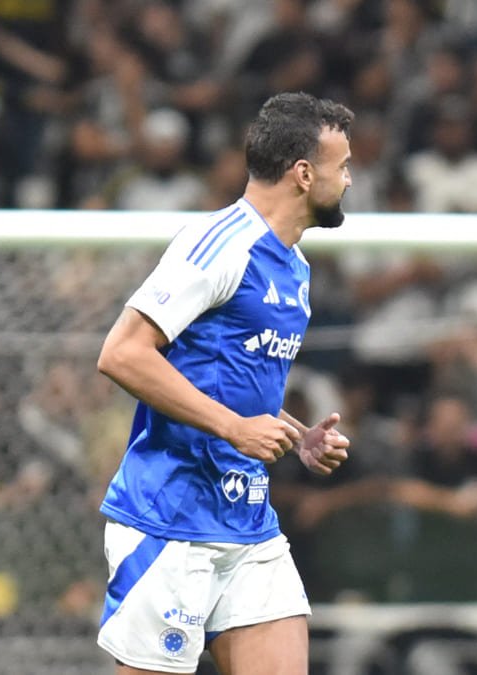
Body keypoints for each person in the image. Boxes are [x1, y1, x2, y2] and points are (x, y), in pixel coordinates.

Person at [94, 91, 353, 675]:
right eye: (343, 167)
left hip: (247, 522)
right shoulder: (219, 245)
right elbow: (122, 354)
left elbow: (227, 378)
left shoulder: (295, 266)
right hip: (169, 521)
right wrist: (233, 427)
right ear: (304, 173)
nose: (350, 180)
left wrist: (293, 434)